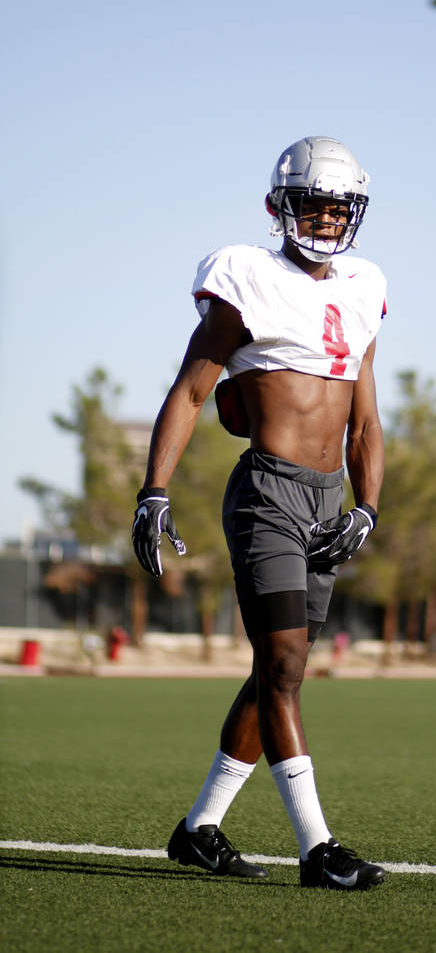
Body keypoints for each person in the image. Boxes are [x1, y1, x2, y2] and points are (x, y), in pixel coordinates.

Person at [131, 136, 387, 891]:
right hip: (269, 494)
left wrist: (368, 506)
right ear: (281, 207)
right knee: (281, 666)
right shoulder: (247, 274)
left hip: (327, 498)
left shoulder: (365, 284)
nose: (328, 218)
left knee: (283, 668)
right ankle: (318, 847)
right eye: (314, 204)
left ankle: (199, 828)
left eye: (340, 207)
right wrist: (154, 488)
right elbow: (189, 390)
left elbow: (367, 421)